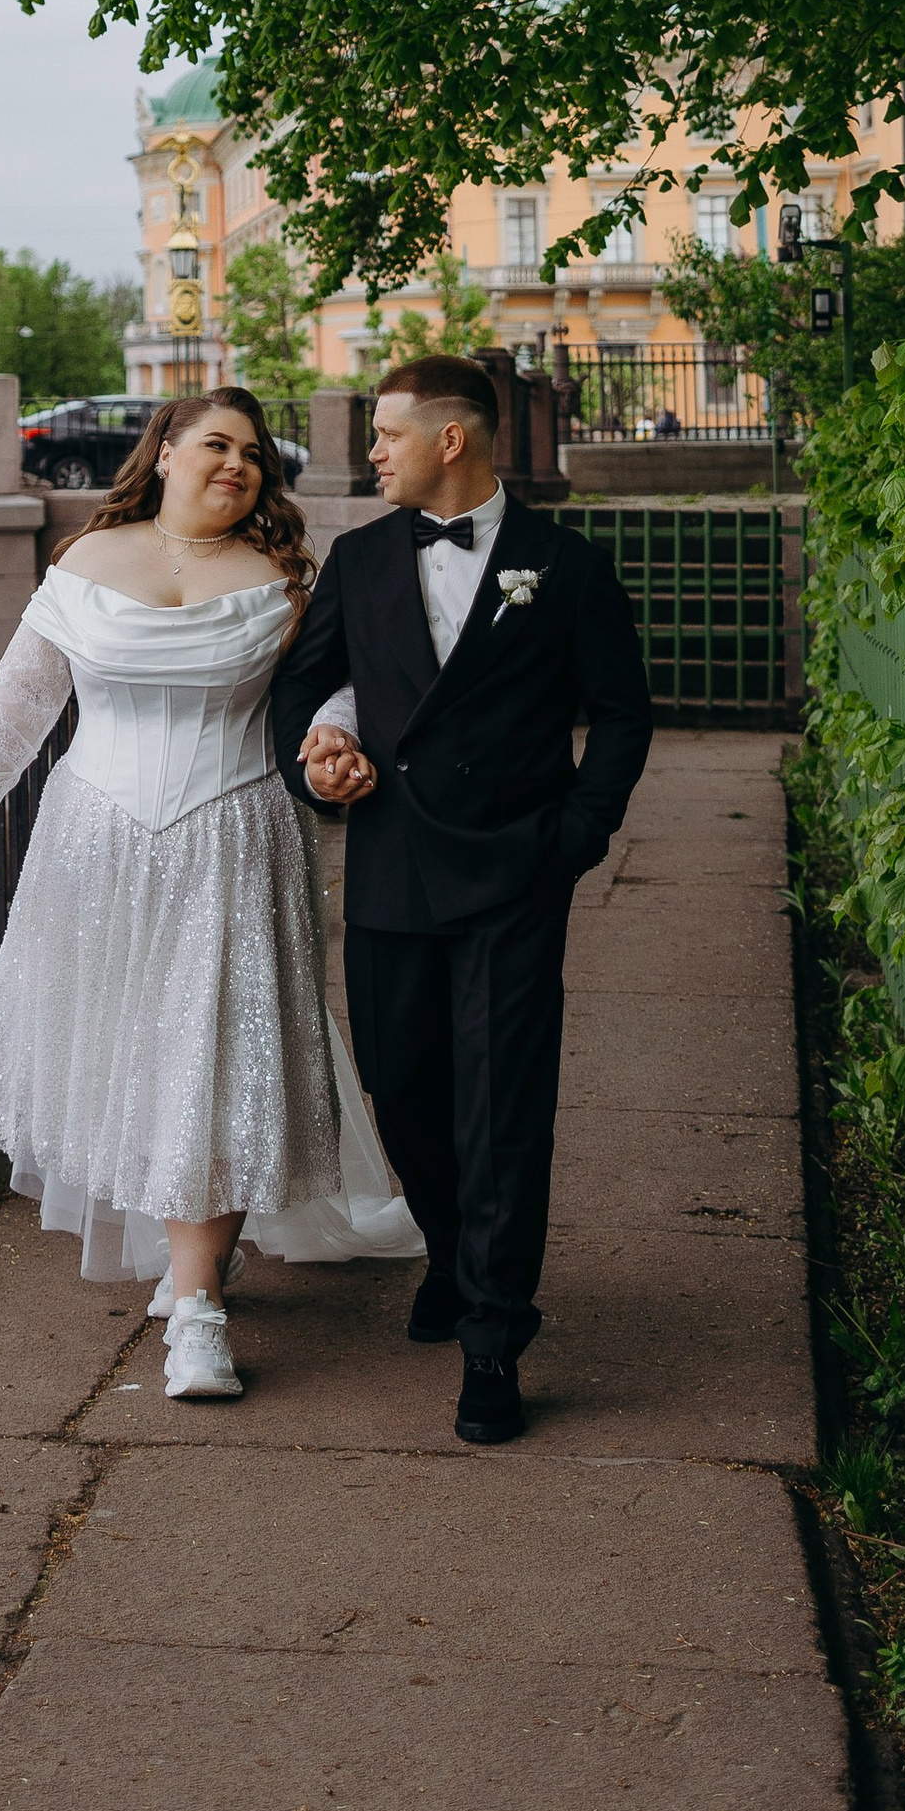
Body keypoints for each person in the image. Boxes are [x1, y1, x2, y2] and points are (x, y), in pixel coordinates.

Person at [0, 389, 419, 1405]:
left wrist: (335, 738)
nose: (237, 465)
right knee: (137, 1057)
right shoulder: (82, 562)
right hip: (96, 847)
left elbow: (326, 694)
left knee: (209, 1057)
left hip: (233, 838)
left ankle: (197, 1310)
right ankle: (198, 1256)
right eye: (215, 444)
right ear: (161, 452)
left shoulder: (282, 581)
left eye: (253, 454)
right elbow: (25, 701)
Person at [270, 352, 654, 1446]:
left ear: (452, 439)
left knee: (502, 1105)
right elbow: (303, 690)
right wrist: (318, 755)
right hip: (392, 862)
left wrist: (578, 836)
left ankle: (494, 1331)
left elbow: (621, 713)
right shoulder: (358, 558)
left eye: (385, 433)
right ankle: (446, 1246)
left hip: (514, 873)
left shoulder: (563, 565)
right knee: (404, 1088)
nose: (370, 450)